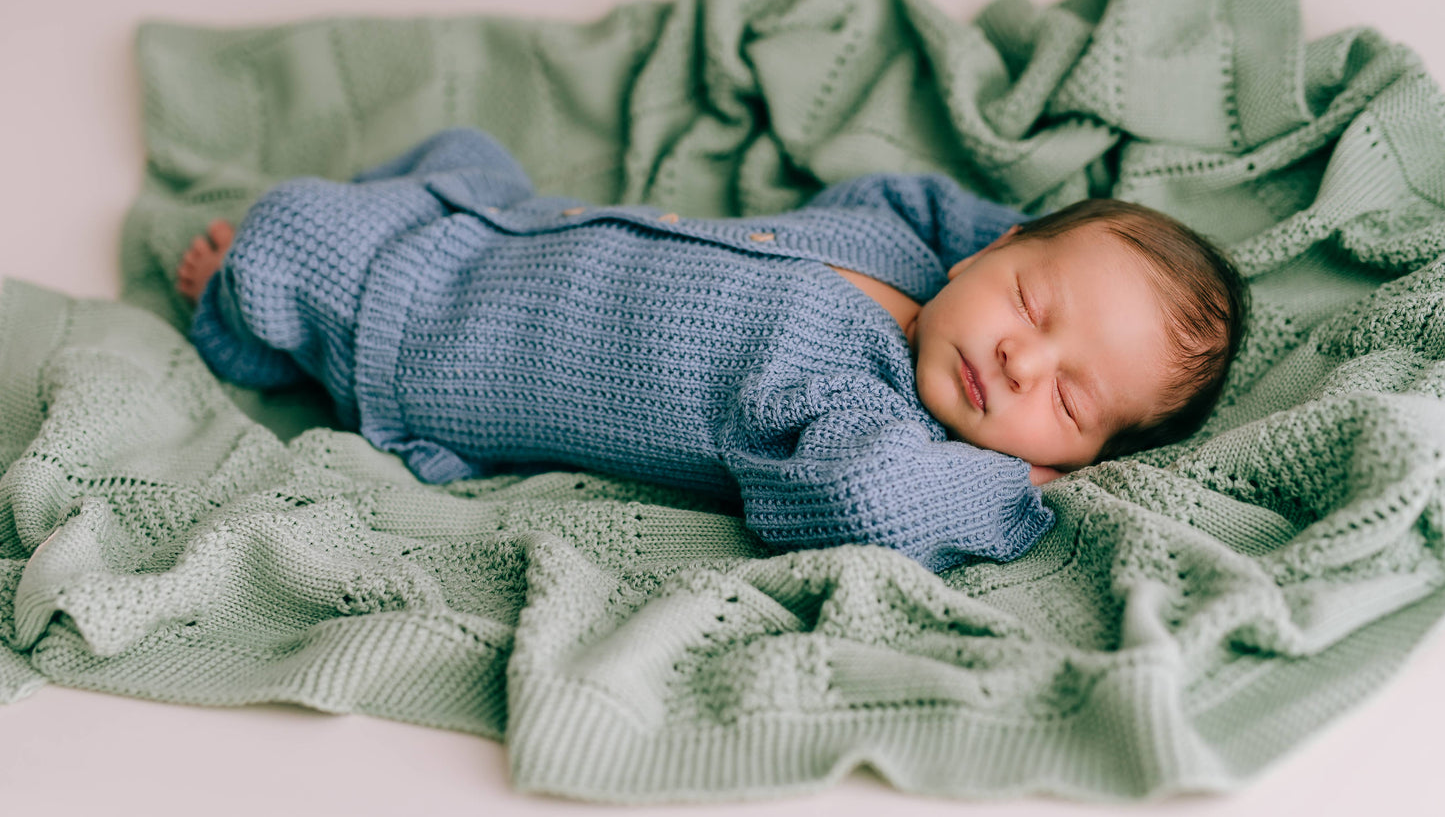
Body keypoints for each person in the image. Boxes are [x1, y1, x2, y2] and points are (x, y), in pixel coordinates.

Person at [176, 128, 1248, 573]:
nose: (1020, 362)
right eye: (1033, 302)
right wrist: (986, 250)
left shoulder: (863, 417)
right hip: (526, 222)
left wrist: (1003, 481)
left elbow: (863, 502)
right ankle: (365, 237)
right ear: (996, 249)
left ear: (1076, 456)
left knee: (291, 230)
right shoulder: (909, 249)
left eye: (1065, 402)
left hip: (437, 340)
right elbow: (904, 194)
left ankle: (248, 319)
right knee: (463, 151)